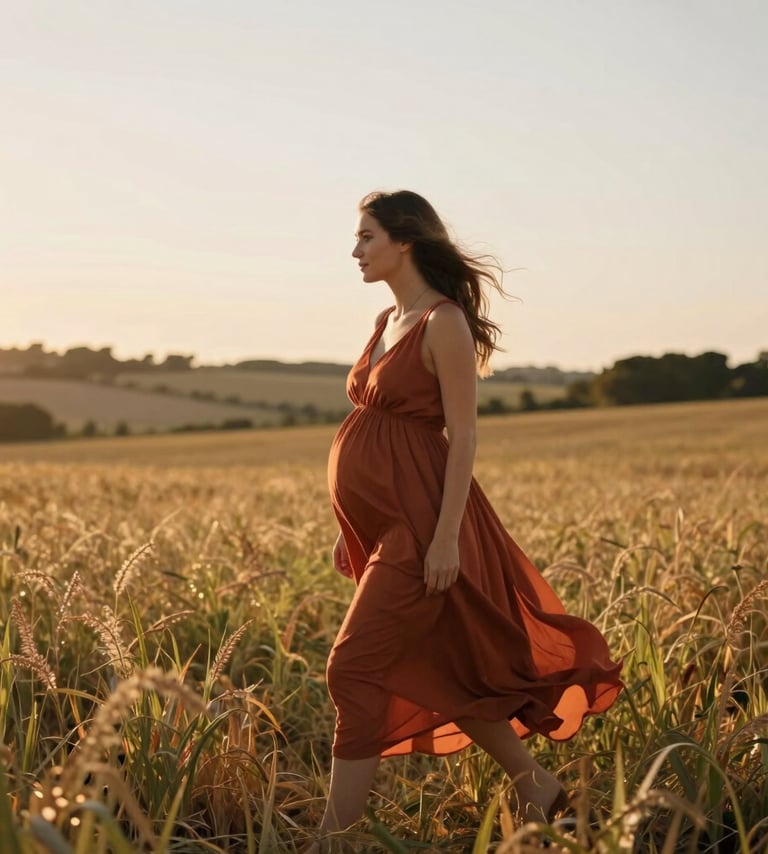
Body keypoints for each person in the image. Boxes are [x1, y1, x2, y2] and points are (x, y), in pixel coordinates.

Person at [306, 190, 623, 852]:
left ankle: (335, 841)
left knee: (352, 669)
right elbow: (373, 428)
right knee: (440, 661)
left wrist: (445, 536)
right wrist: (349, 521)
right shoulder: (386, 320)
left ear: (405, 242)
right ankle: (537, 787)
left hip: (423, 525)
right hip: (383, 525)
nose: (355, 251)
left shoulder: (442, 322)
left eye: (366, 237)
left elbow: (464, 436)